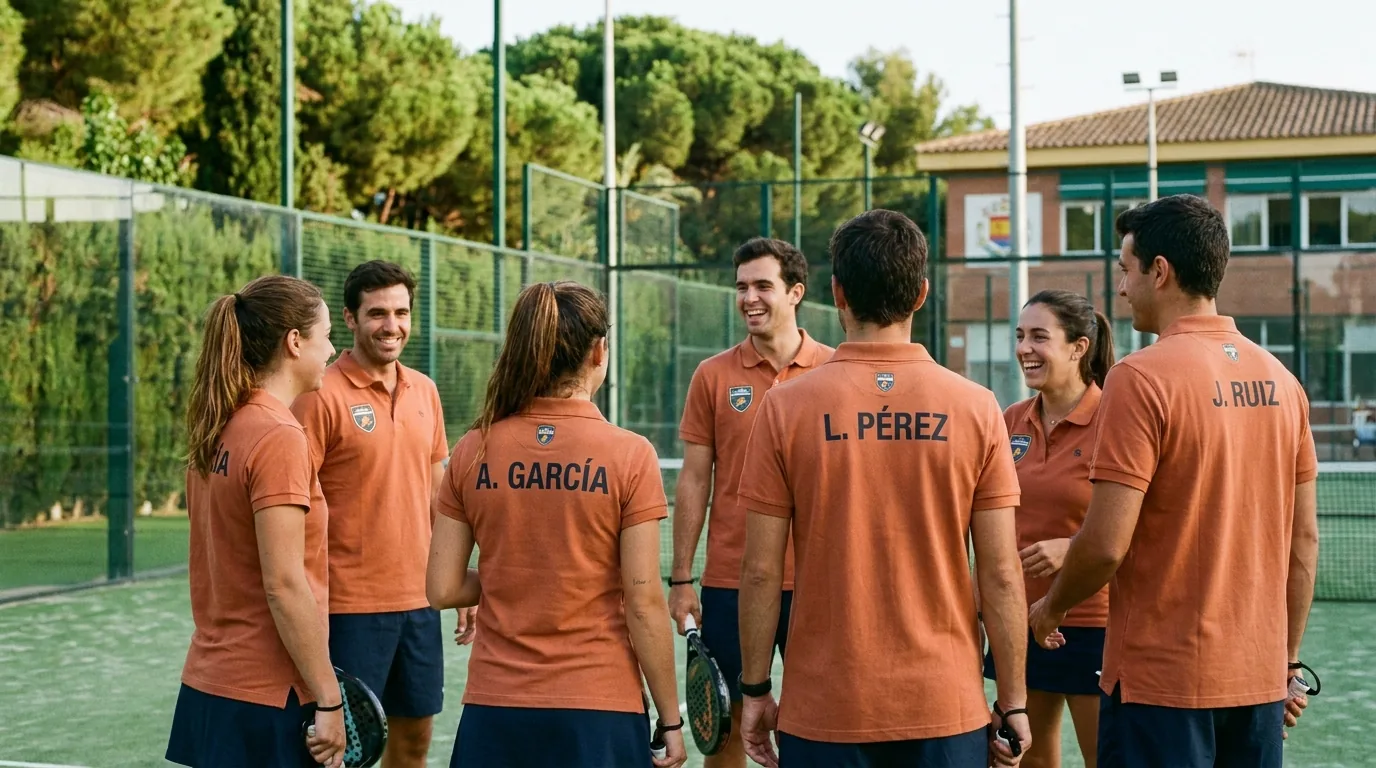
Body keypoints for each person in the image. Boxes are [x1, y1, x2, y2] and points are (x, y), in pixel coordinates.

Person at [1029, 194, 1320, 768]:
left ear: (1158, 271)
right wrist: (1285, 662)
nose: (1120, 287)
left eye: (1124, 269)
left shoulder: (1139, 377)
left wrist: (1051, 609)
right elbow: (1303, 543)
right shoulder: (1283, 380)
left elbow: (1105, 545)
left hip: (1160, 685)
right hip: (1259, 683)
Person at [734, 209, 1034, 768]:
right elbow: (999, 571)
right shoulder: (976, 407)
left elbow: (760, 570)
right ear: (921, 293)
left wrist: (755, 690)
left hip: (826, 709)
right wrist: (1013, 700)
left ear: (836, 293)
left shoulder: (785, 407)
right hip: (946, 707)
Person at [426, 280, 687, 768]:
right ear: (598, 351)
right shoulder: (630, 455)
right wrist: (670, 720)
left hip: (495, 712)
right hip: (598, 709)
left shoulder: (472, 449)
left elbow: (441, 588)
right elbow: (644, 601)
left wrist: (513, 577)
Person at [291, 260, 471, 768]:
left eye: (401, 312)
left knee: (413, 742)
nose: (391, 325)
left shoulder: (426, 391)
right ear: (349, 318)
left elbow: (440, 491)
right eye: (377, 313)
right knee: (343, 751)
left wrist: (455, 580)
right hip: (347, 607)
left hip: (420, 603)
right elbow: (295, 501)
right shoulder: (318, 394)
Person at [166, 275, 346, 768]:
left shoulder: (219, 425)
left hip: (210, 684)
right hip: (268, 696)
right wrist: (328, 696)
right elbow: (285, 585)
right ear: (294, 342)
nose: (332, 348)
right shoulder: (279, 436)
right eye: (326, 334)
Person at [669, 237, 834, 766]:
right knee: (729, 727)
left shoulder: (835, 370)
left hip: (819, 579)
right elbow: (694, 482)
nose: (749, 297)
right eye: (741, 287)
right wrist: (680, 579)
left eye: (763, 285)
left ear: (796, 293)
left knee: (820, 723)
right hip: (731, 582)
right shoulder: (712, 376)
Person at [981, 289, 1115, 768]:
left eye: (1040, 336)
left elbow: (1147, 525)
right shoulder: (1010, 420)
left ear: (1079, 347)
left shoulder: (1116, 419)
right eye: (1020, 336)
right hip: (1019, 622)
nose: (1024, 348)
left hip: (1093, 624)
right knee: (1032, 762)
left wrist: (1074, 548)